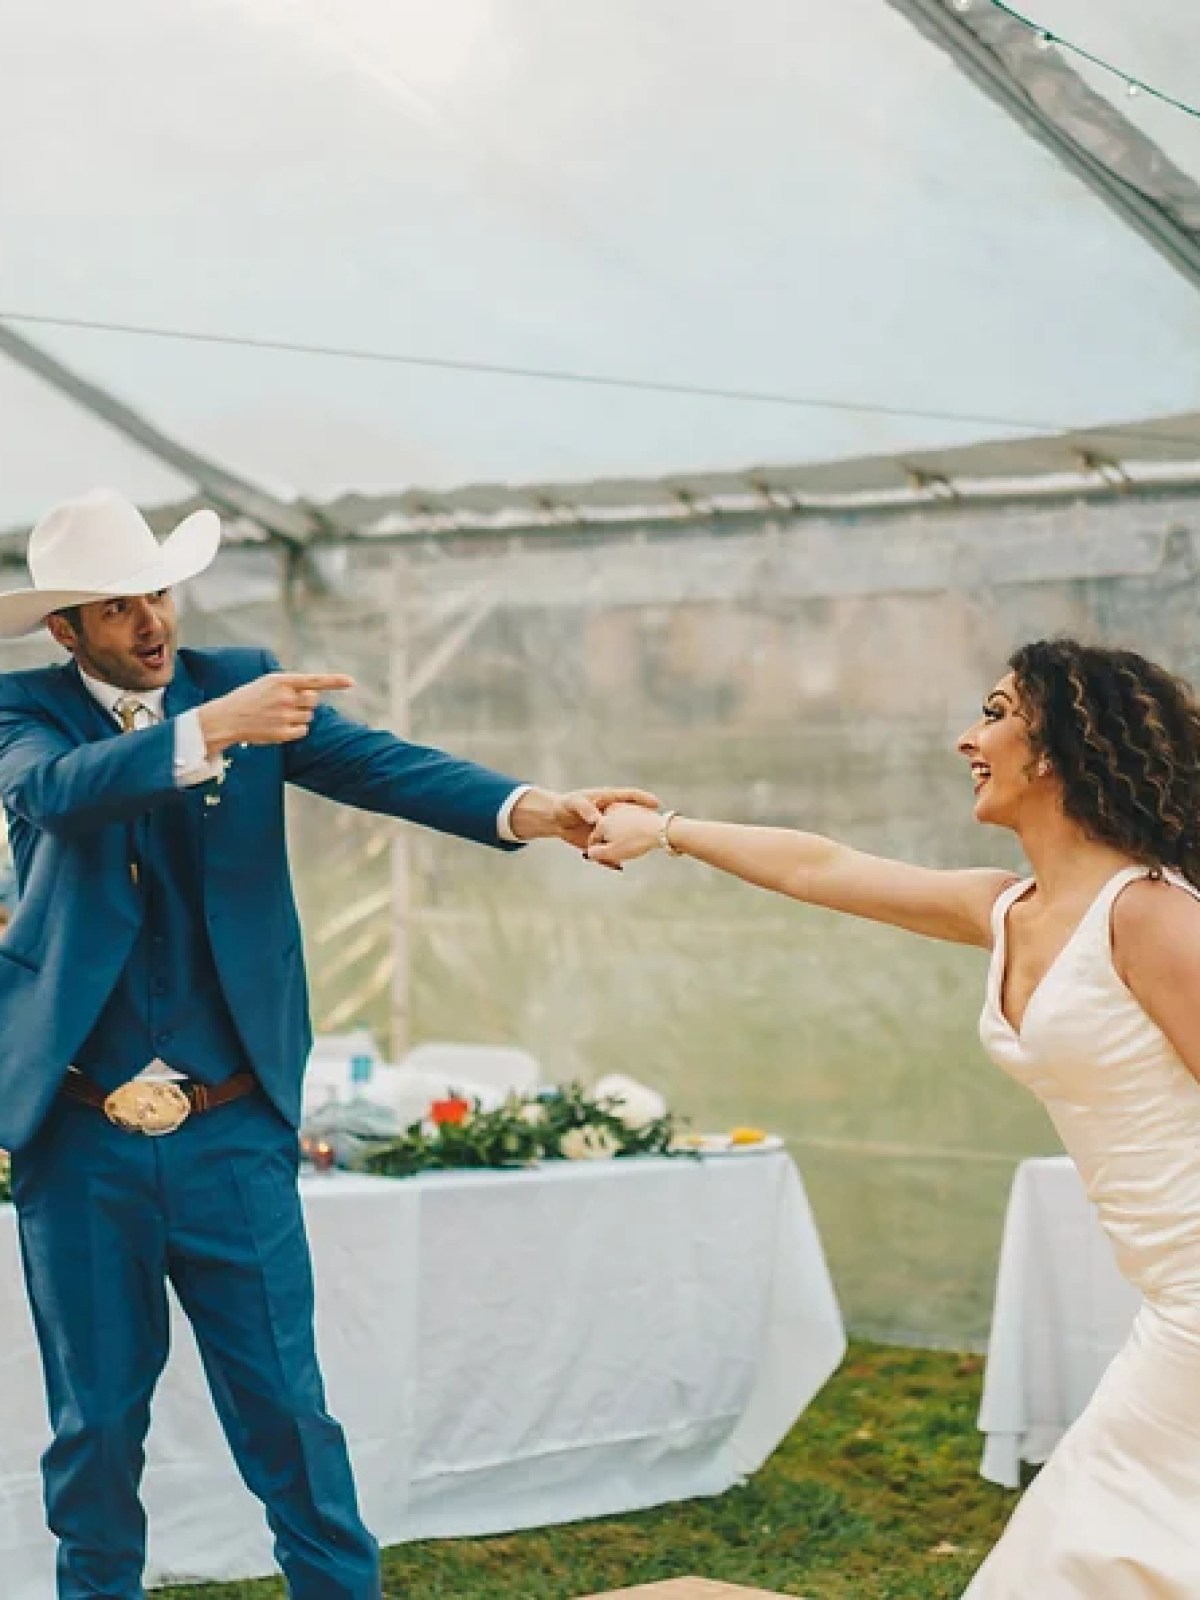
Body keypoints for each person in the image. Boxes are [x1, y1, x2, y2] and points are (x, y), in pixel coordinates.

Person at [0, 488, 657, 1600]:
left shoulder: (238, 677)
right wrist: (207, 731)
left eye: (158, 591)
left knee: (289, 1415)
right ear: (65, 630)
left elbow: (384, 765)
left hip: (230, 1129)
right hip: (78, 1138)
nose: (152, 622)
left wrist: (535, 807)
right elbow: (54, 797)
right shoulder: (24, 710)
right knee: (94, 1432)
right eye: (117, 608)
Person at [587, 636, 1200, 1598]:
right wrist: (667, 828)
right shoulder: (1010, 909)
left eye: (996, 712)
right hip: (1175, 1297)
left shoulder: (1151, 915)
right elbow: (821, 867)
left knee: (1090, 1547)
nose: (967, 737)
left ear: (1065, 746)